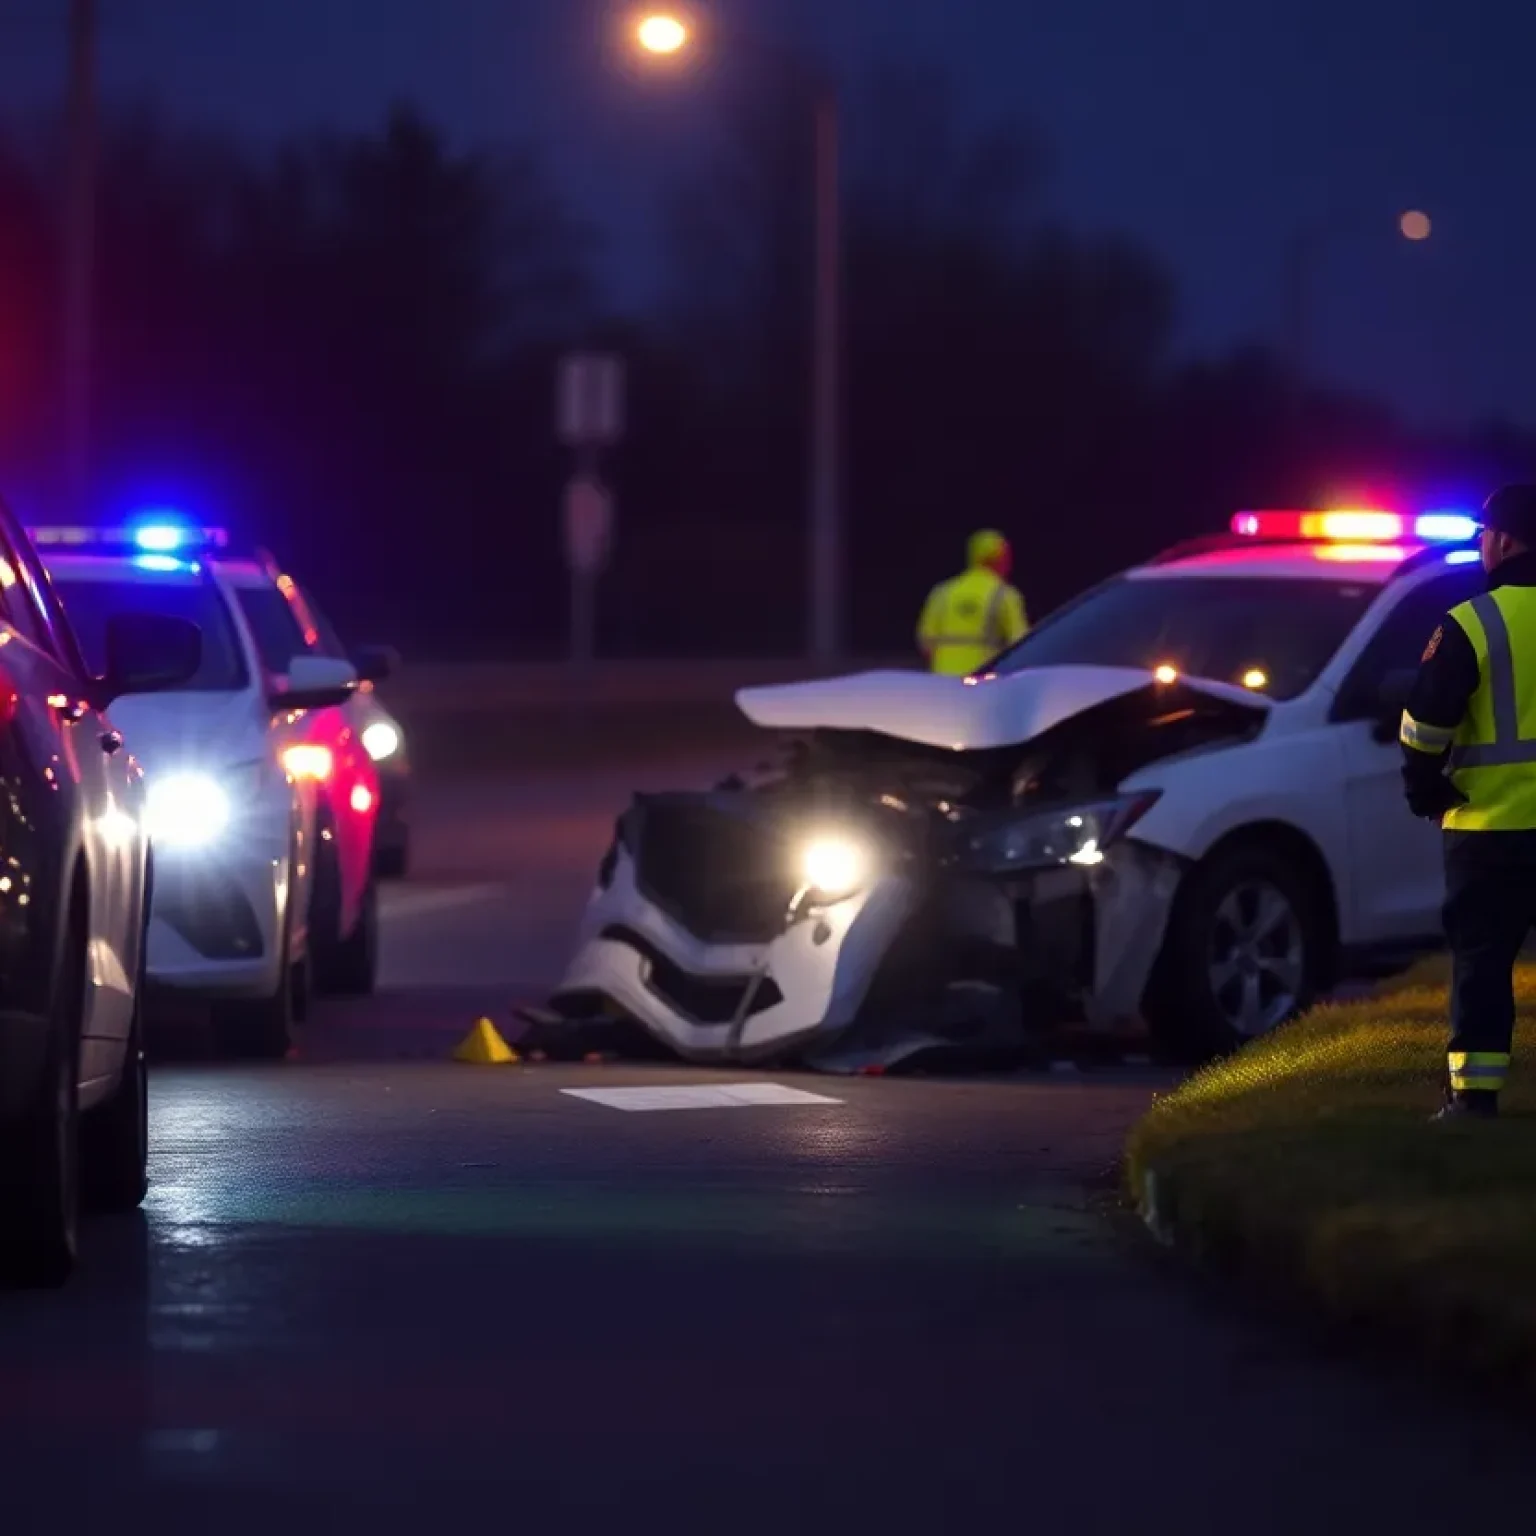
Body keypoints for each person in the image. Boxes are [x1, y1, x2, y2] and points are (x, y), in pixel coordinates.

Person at [1399, 484, 1536, 1120]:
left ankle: (1474, 1099)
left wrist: (1427, 791)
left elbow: (1425, 726)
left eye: (1483, 535)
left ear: (1506, 541)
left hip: (1489, 831)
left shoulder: (1471, 624)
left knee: (1482, 966)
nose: (1481, 545)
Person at [915, 529, 1028, 675]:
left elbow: (925, 642)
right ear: (1000, 559)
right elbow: (1022, 647)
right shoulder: (1006, 595)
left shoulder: (942, 591)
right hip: (982, 685)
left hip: (942, 681)